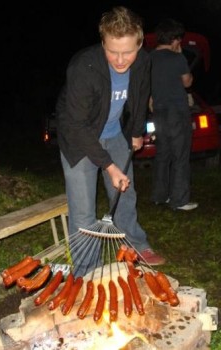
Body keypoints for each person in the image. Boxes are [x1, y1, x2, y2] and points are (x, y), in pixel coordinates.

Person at [55, 6, 165, 276]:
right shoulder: (84, 67)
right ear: (102, 41)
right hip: (79, 140)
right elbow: (77, 125)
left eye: (127, 51)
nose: (119, 60)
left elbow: (140, 96)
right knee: (83, 212)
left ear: (140, 43)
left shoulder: (142, 61)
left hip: (115, 134)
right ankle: (86, 273)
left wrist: (137, 131)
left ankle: (135, 246)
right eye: (112, 51)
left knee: (125, 194)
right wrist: (109, 166)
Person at [149, 18, 198, 211]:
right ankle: (180, 200)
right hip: (177, 112)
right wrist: (180, 57)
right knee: (180, 155)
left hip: (158, 111)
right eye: (179, 39)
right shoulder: (177, 58)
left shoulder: (149, 58)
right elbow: (187, 83)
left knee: (162, 154)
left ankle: (159, 196)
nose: (180, 43)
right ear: (174, 39)